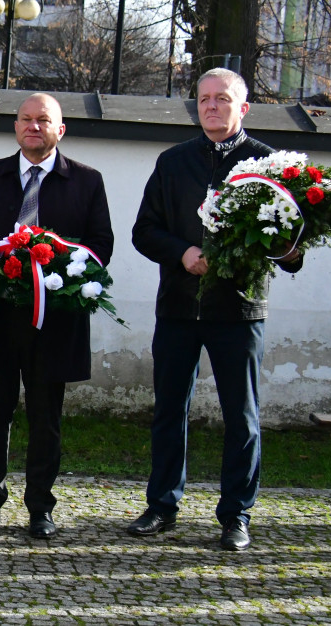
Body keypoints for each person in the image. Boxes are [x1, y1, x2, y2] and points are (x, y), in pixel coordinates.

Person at [128, 68, 303, 552]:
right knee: (169, 410)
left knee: (241, 416)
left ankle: (236, 516)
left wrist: (287, 251)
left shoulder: (269, 164)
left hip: (239, 309)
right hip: (180, 306)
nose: (210, 107)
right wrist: (182, 252)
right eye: (203, 99)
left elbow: (290, 247)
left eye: (221, 99)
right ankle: (162, 506)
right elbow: (144, 231)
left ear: (242, 108)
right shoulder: (172, 162)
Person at [0, 93, 113, 539]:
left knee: (46, 417)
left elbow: (101, 245)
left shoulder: (86, 181)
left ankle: (41, 507)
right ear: (15, 126)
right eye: (26, 119)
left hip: (54, 321)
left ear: (61, 130)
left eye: (44, 120)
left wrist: (61, 269)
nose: (33, 127)